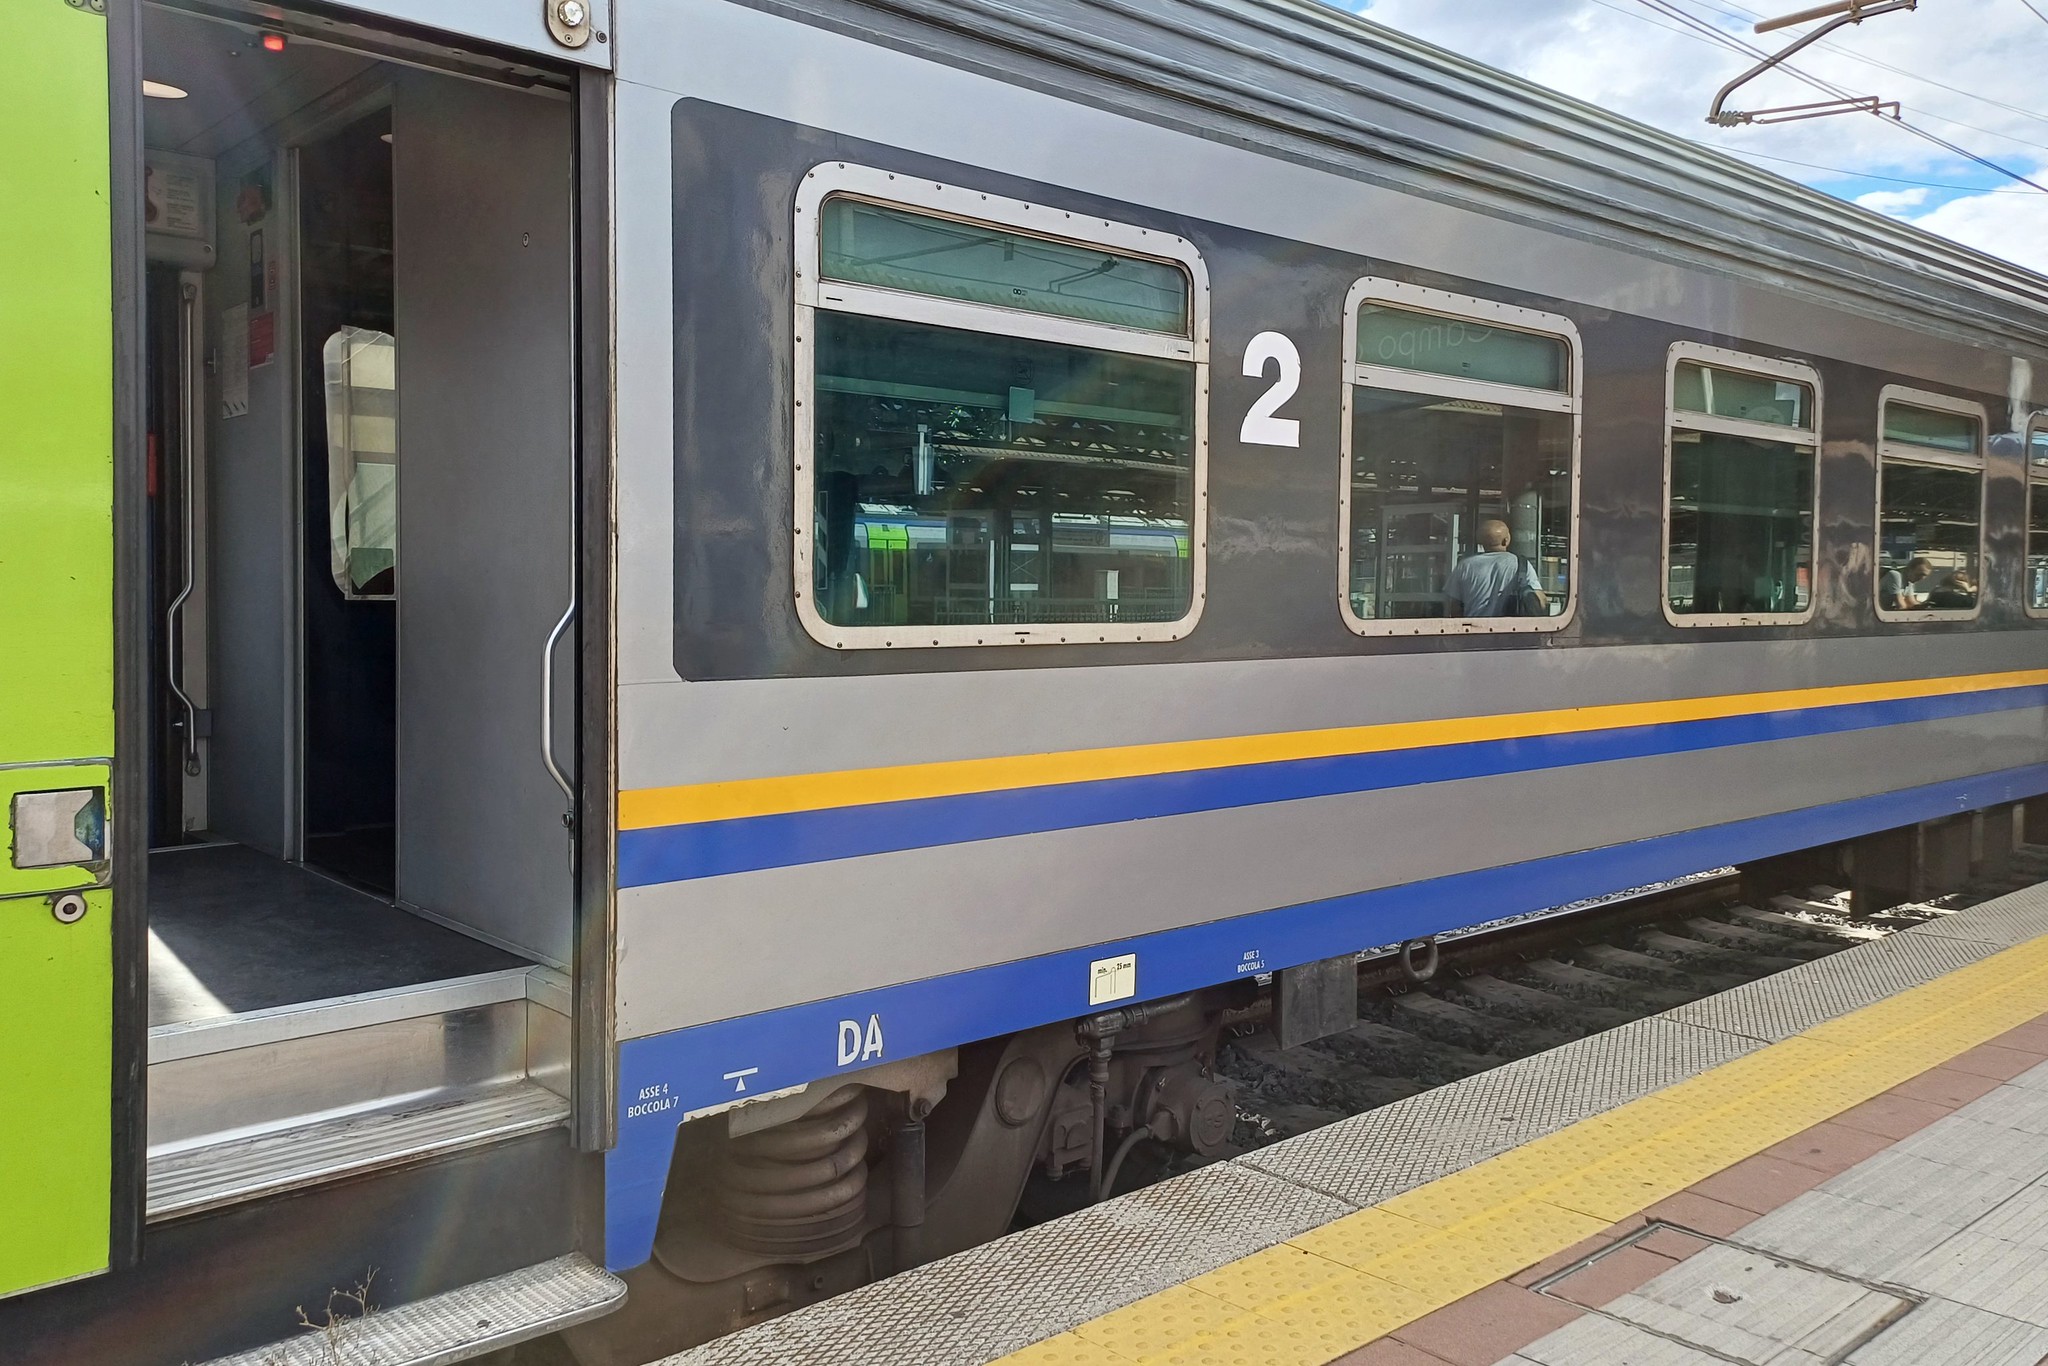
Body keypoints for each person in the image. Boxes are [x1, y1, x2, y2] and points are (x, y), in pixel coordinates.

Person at [1442, 519, 1546, 618]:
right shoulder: (1520, 564)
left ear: (1480, 542)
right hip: (1511, 630)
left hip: (1474, 630)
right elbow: (1540, 601)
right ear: (1506, 540)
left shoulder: (1464, 566)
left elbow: (1454, 607)